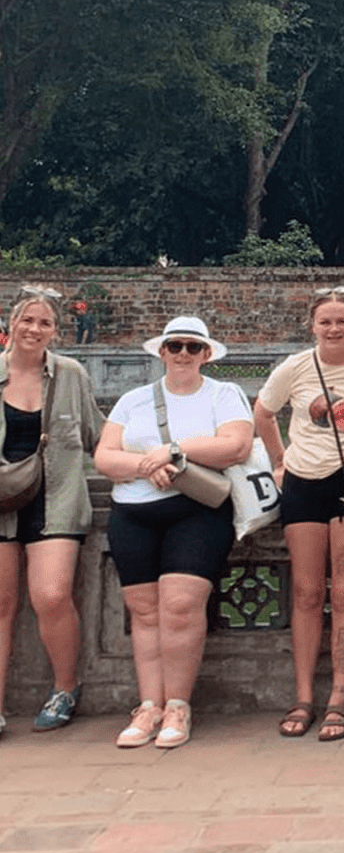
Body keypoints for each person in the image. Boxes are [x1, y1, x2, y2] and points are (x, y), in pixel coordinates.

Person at [95, 317, 252, 749]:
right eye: (174, 346)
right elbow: (104, 456)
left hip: (197, 510)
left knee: (181, 605)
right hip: (133, 510)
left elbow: (235, 445)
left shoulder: (223, 394)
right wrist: (151, 465)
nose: (183, 354)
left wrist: (175, 451)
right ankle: (150, 704)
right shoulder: (134, 400)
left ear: (206, 354)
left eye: (192, 347)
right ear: (161, 352)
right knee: (144, 611)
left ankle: (178, 704)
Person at [253, 288, 344, 742]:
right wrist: (279, 461)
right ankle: (302, 696)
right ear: (312, 326)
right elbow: (263, 413)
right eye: (325, 322)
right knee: (308, 591)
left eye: (342, 320)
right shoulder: (294, 367)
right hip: (305, 480)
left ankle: (338, 696)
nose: (334, 329)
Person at [0, 288, 104, 736]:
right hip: (0, 500)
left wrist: (148, 460)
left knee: (51, 595)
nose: (34, 330)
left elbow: (98, 433)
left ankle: (65, 687)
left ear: (56, 331)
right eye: (27, 320)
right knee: (0, 605)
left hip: (56, 497)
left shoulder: (69, 374)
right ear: (11, 324)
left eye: (44, 323)